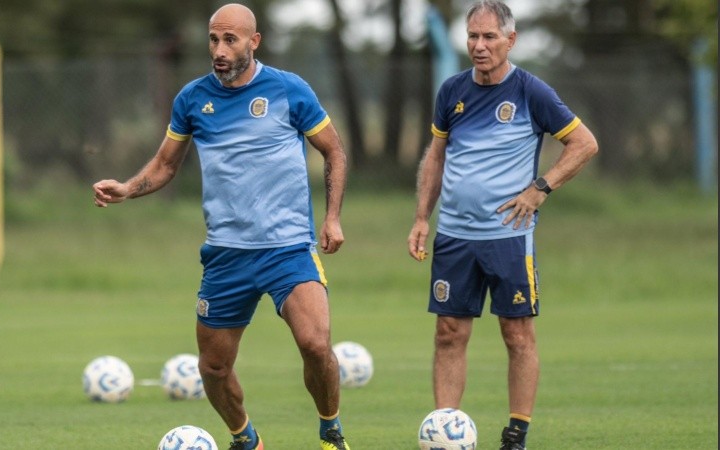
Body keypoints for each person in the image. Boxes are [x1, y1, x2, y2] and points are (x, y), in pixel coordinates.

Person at [92, 4, 351, 450]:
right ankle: (245, 438)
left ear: (254, 42)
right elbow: (165, 164)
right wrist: (128, 189)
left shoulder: (289, 90)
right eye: (213, 39)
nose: (219, 49)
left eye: (230, 39)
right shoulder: (193, 99)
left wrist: (331, 217)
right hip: (226, 254)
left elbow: (335, 152)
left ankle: (331, 431)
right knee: (212, 369)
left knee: (314, 343)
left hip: (288, 249)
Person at [406, 1, 598, 449]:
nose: (479, 45)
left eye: (489, 37)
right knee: (448, 333)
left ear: (510, 40)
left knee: (517, 333)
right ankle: (444, 435)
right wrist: (421, 218)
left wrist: (539, 189)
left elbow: (584, 144)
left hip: (508, 237)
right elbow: (436, 157)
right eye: (473, 36)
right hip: (454, 235)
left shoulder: (532, 92)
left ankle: (516, 435)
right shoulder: (451, 91)